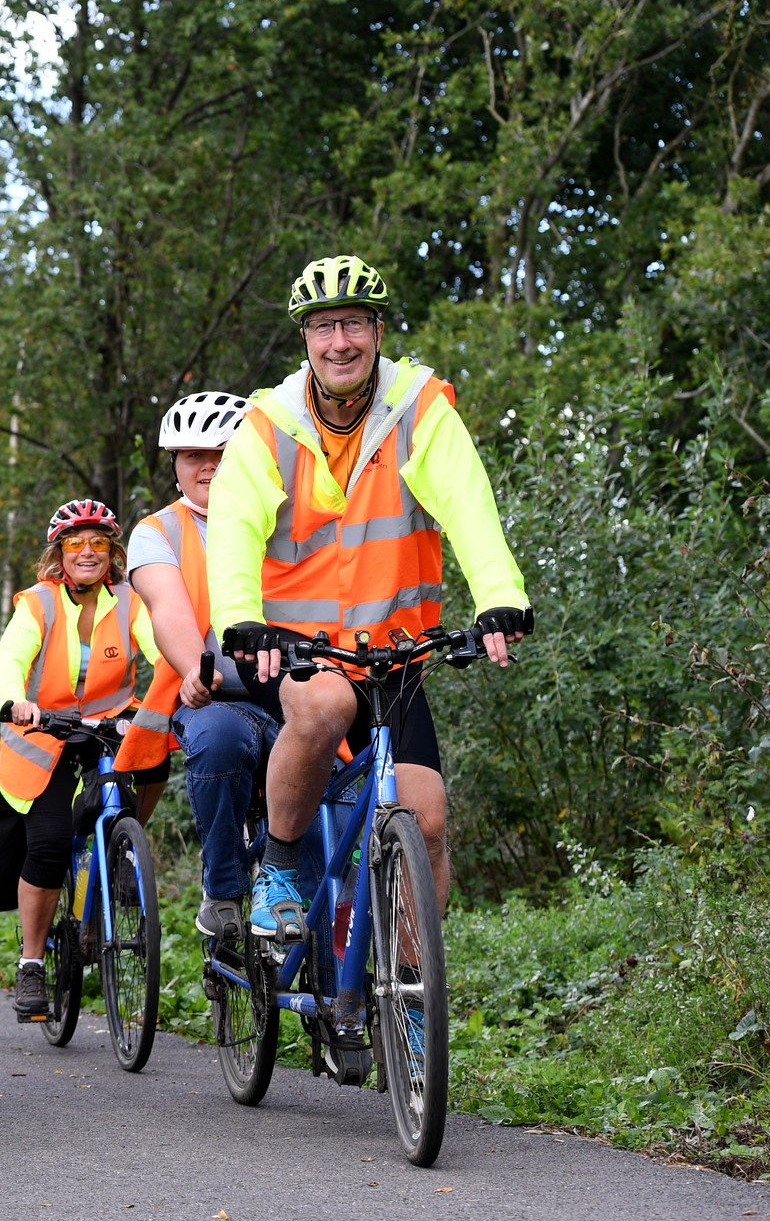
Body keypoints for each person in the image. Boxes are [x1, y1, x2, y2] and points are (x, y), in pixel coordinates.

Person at [207, 255, 531, 942]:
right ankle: (281, 865)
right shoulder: (268, 424)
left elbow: (469, 505)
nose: (339, 342)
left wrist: (499, 596)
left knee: (429, 820)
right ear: (305, 340)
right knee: (326, 705)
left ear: (378, 330)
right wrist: (241, 620)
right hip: (296, 654)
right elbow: (232, 529)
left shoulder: (418, 408)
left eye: (353, 323)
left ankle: (407, 997)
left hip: (393, 653)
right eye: (324, 328)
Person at [119, 391, 318, 940]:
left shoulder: (292, 516)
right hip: (218, 697)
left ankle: (343, 997)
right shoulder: (158, 532)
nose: (207, 465)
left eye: (223, 452)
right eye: (191, 455)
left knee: (343, 819)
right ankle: (225, 891)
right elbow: (168, 610)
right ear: (175, 468)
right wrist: (193, 668)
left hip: (303, 693)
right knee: (221, 737)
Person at [0, 499, 143, 1020]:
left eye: (98, 542)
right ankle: (32, 962)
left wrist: (182, 684)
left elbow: (161, 649)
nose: (87, 552)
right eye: (75, 543)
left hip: (107, 727)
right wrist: (16, 702)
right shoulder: (38, 603)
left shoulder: (129, 600)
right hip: (44, 733)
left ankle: (119, 856)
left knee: (143, 771)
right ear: (59, 553)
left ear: (112, 553)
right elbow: (10, 659)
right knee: (50, 844)